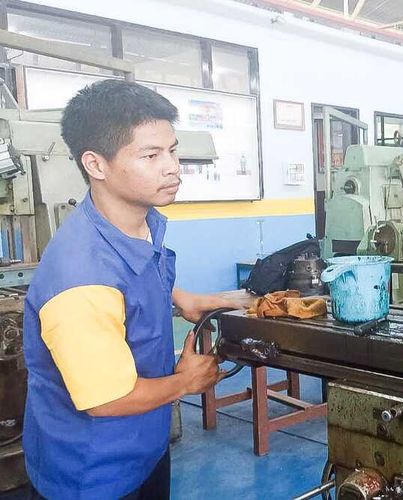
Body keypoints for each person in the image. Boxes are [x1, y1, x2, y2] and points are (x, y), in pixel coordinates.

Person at [22, 79, 246, 499]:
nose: (172, 167)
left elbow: (140, 272)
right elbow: (106, 400)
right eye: (151, 155)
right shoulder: (80, 279)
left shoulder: (137, 223)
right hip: (92, 472)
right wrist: (184, 383)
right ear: (96, 164)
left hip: (144, 445)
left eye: (173, 150)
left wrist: (182, 298)